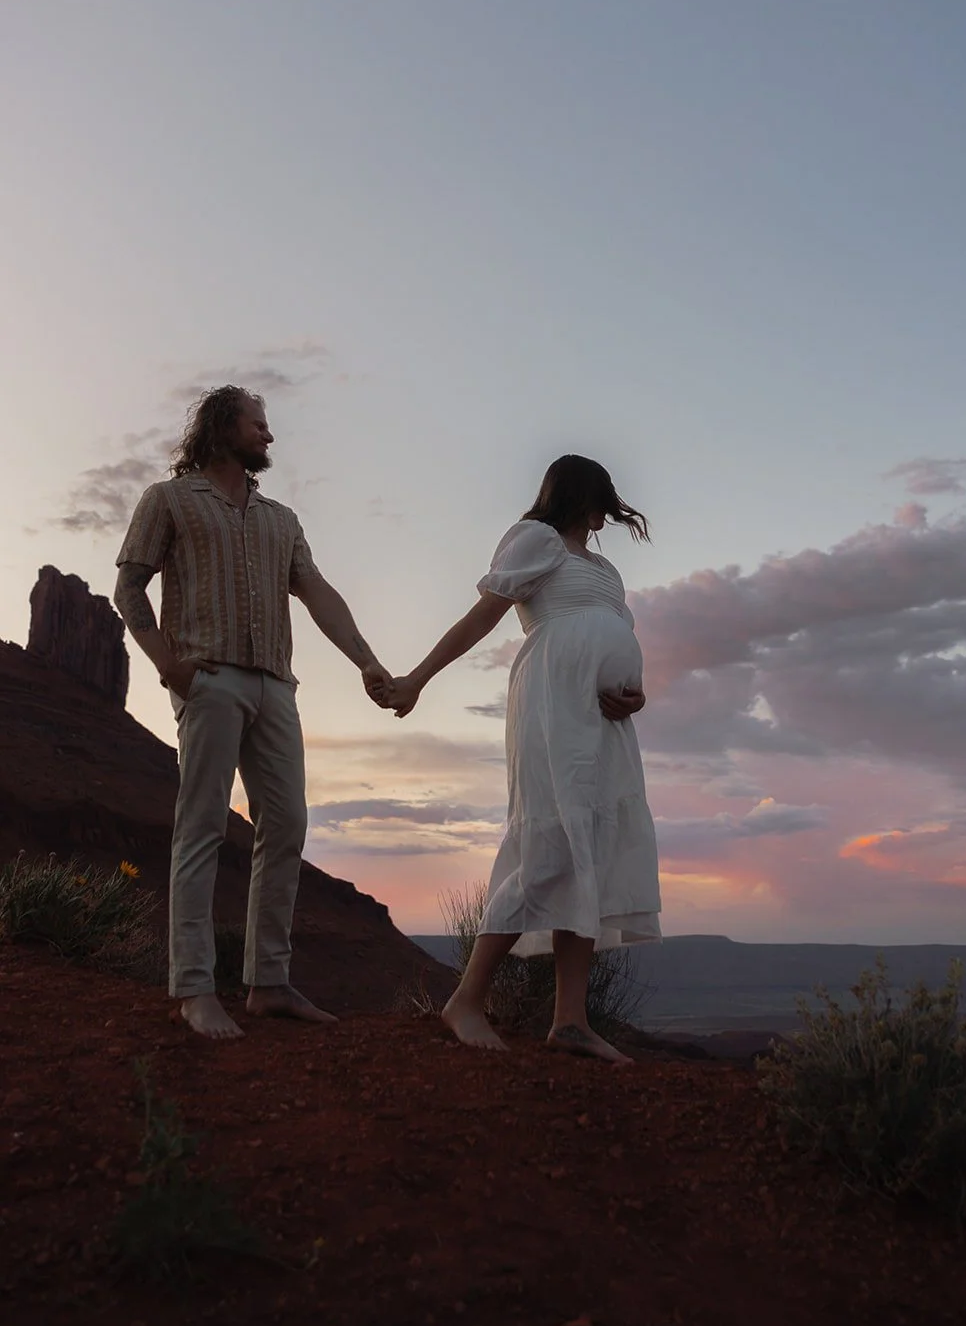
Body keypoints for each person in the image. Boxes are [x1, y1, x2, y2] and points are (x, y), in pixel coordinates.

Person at [115, 385, 390, 1040]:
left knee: (287, 825)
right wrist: (164, 660)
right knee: (202, 825)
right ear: (221, 427)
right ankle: (194, 990)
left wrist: (367, 662)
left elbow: (317, 592)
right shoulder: (170, 500)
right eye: (257, 423)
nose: (269, 435)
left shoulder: (280, 519)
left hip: (275, 685)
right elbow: (129, 584)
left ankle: (268, 983)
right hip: (207, 679)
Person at [377, 454, 661, 1065]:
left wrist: (635, 692)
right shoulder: (536, 540)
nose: (607, 515)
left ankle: (570, 1021)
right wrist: (419, 679)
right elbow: (483, 616)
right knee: (548, 846)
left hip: (604, 725)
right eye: (602, 502)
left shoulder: (606, 572)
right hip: (553, 707)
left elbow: (615, 636)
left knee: (591, 848)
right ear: (587, 499)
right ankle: (466, 1001)